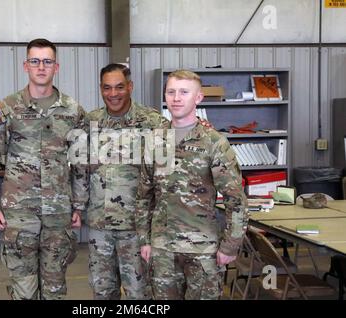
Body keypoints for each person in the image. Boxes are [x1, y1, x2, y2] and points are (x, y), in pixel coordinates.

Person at [0, 38, 88, 300]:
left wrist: (78, 205)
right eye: (35, 61)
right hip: (19, 214)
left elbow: (82, 162)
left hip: (58, 213)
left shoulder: (73, 111)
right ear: (25, 65)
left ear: (56, 67)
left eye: (47, 61)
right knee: (24, 289)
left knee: (55, 287)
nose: (41, 67)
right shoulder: (6, 110)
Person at [136, 69, 248, 300]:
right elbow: (144, 195)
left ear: (198, 98)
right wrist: (144, 240)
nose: (176, 98)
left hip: (202, 249)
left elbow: (235, 199)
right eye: (171, 92)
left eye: (184, 92)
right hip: (162, 248)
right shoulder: (155, 140)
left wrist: (230, 246)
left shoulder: (214, 143)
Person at [85, 63, 168, 299]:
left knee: (139, 294)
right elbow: (80, 171)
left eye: (119, 87)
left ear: (130, 87)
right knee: (102, 292)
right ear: (101, 89)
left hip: (137, 228)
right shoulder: (90, 123)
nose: (113, 94)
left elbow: (165, 179)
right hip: (99, 227)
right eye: (107, 88)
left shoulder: (154, 123)